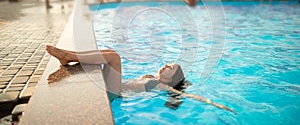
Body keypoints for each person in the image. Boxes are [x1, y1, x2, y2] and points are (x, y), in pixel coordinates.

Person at [46, 45, 236, 114]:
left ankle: (68, 56)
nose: (167, 65)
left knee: (114, 57)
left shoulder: (162, 86)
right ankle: (69, 55)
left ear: (172, 79)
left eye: (171, 68)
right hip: (114, 88)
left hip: (114, 94)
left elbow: (189, 96)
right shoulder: (151, 77)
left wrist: (217, 105)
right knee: (110, 53)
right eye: (169, 63)